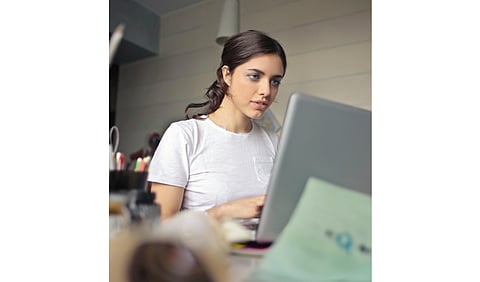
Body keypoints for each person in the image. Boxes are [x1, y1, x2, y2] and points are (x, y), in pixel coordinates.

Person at [147, 30, 287, 221]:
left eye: (275, 81)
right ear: (227, 74)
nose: (266, 91)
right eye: (255, 76)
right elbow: (160, 224)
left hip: (266, 250)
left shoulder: (274, 142)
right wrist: (222, 212)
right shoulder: (184, 135)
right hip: (206, 250)